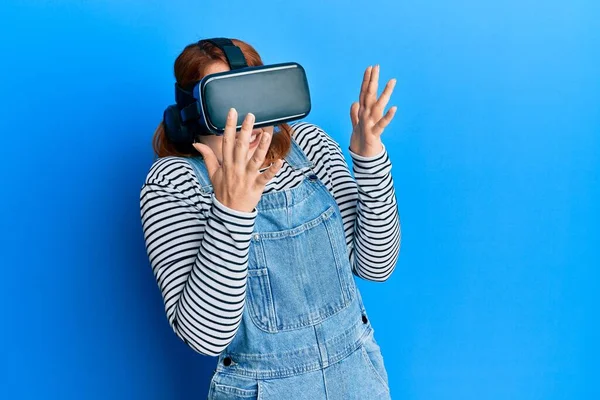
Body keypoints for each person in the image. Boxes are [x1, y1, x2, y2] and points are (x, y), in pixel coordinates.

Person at [140, 38, 401, 399]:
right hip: (262, 388)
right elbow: (205, 335)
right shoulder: (174, 183)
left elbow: (376, 265)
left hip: (358, 376)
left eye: (255, 95)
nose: (249, 120)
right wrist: (233, 210)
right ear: (193, 114)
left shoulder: (310, 146)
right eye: (228, 104)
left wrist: (369, 158)